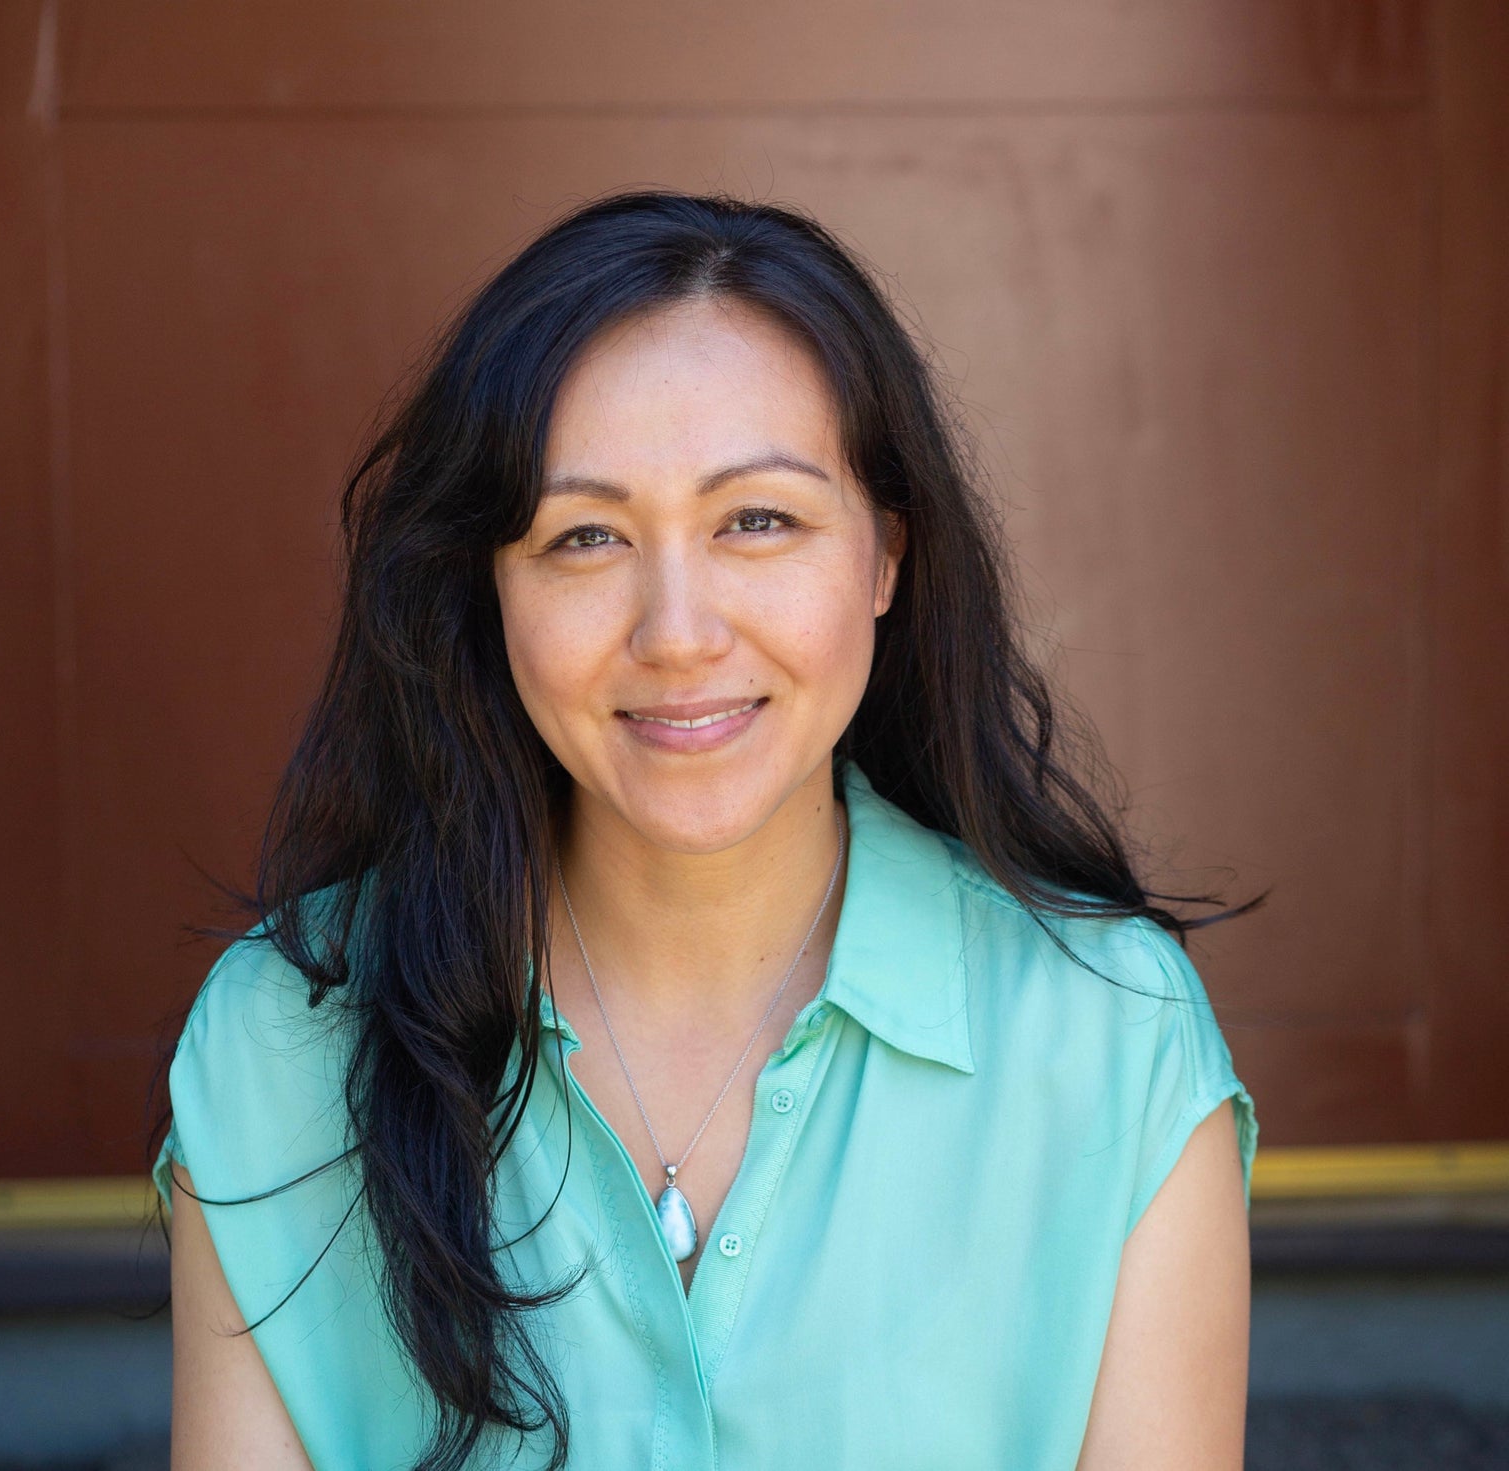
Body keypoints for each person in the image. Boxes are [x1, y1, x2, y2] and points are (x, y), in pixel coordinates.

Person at [154, 189, 1259, 1471]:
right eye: (585, 536)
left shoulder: (1110, 1039)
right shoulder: (283, 1042)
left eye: (757, 520)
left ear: (886, 554)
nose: (676, 631)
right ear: (488, 590)